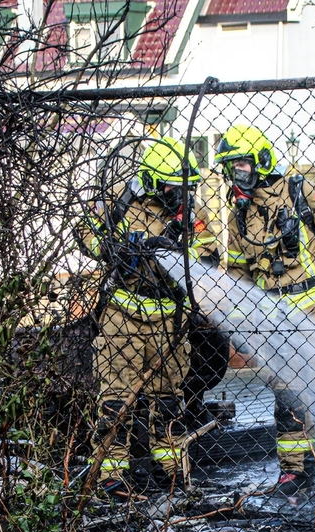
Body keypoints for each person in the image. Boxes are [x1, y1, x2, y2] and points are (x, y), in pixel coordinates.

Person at [214, 123, 315, 495]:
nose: (235, 172)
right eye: (230, 166)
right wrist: (241, 322)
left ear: (261, 160)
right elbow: (238, 274)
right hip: (273, 325)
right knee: (288, 400)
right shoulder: (239, 215)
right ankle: (295, 475)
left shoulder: (297, 190)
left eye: (240, 164)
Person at [79, 137, 219, 497]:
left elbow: (209, 253)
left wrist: (178, 249)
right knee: (115, 401)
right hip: (121, 315)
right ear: (153, 180)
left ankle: (172, 473)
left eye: (185, 186)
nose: (180, 193)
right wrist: (113, 248)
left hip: (170, 319)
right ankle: (111, 477)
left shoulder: (189, 211)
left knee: (169, 401)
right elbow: (87, 232)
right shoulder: (121, 200)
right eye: (173, 186)